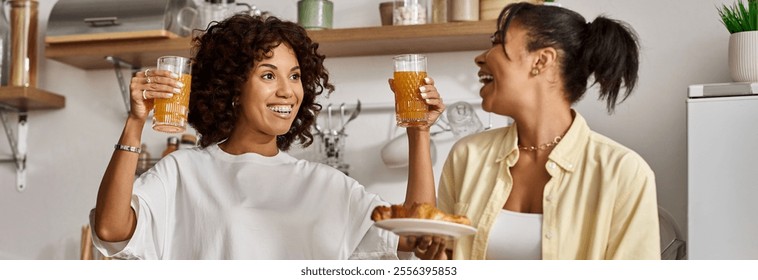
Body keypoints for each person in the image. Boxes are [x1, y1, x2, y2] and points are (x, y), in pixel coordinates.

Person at [90, 14, 442, 259]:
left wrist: (419, 132)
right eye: (269, 76)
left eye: (294, 76)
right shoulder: (182, 172)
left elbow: (414, 236)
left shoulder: (329, 186)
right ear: (232, 85)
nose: (288, 91)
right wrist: (135, 122)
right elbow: (110, 229)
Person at [411, 3, 660, 260]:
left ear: (541, 60)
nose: (481, 57)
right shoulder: (467, 156)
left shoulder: (623, 173)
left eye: (497, 42)